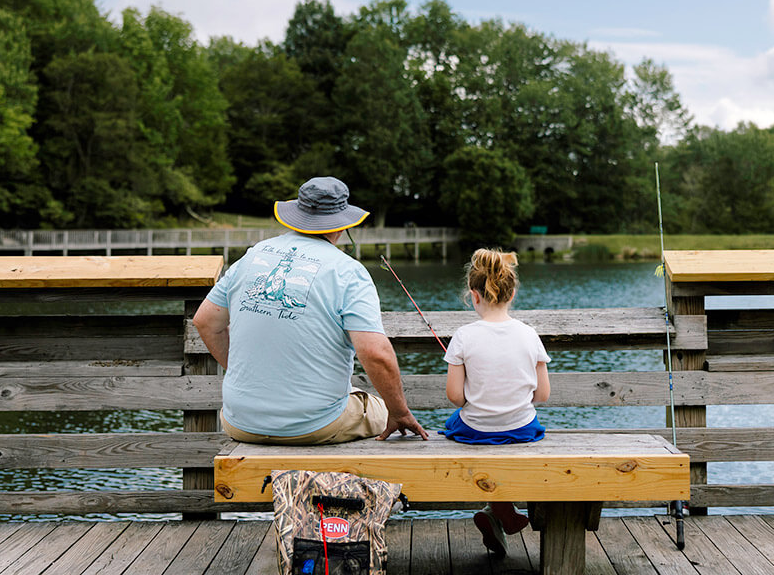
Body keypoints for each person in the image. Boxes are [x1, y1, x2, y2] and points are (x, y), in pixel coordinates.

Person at [192, 176, 428, 444]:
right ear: (342, 225)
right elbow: (376, 353)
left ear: (296, 215)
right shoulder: (348, 271)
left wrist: (244, 375)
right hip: (314, 426)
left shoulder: (253, 255)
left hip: (240, 421)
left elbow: (204, 321)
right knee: (380, 409)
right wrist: (399, 412)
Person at [440, 248, 551, 555]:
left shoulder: (463, 335)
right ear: (512, 293)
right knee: (506, 434)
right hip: (521, 429)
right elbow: (542, 395)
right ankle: (500, 509)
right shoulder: (530, 335)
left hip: (475, 431)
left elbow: (455, 397)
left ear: (473, 295)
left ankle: (499, 510)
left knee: (454, 426)